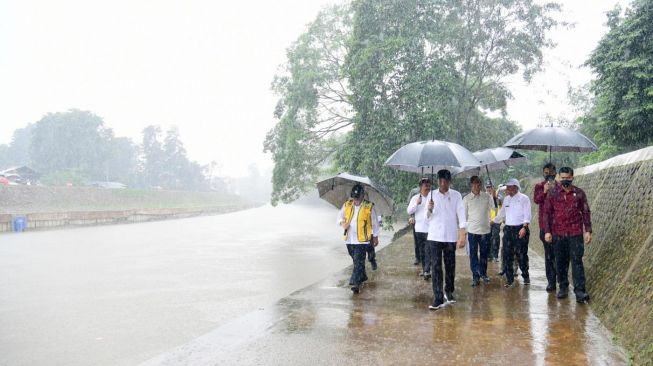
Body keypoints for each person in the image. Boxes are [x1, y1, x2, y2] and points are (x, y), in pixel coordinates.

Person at [543, 167, 592, 303]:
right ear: (559, 177)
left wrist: (587, 230)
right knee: (560, 262)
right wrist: (547, 231)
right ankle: (563, 287)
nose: (565, 180)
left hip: (575, 233)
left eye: (568, 178)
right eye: (562, 178)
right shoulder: (553, 194)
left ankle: (580, 291)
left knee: (577, 261)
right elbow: (547, 213)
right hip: (558, 234)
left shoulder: (579, 193)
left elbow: (586, 211)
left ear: (572, 177)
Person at [425, 169, 466, 310]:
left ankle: (449, 291)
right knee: (436, 267)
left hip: (450, 236)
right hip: (434, 236)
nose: (443, 184)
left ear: (450, 181)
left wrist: (462, 234)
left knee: (450, 266)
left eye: (446, 181)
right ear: (437, 181)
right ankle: (438, 297)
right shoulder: (431, 195)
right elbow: (427, 217)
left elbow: (461, 214)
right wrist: (429, 209)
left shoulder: (456, 196)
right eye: (441, 181)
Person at [337, 184, 380, 294]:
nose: (355, 200)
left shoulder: (369, 206)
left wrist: (375, 236)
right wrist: (343, 223)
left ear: (362, 196)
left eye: (357, 198)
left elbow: (375, 223)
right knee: (356, 260)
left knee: (358, 260)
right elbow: (339, 217)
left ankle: (355, 283)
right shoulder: (347, 205)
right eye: (354, 198)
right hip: (349, 239)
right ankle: (363, 276)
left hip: (362, 240)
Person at [493, 178, 531, 287]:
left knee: (521, 255)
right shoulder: (506, 199)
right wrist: (493, 221)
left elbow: (527, 214)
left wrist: (524, 227)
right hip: (508, 229)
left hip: (520, 229)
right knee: (507, 254)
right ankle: (509, 279)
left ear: (515, 187)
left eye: (508, 188)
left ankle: (525, 275)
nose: (506, 190)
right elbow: (502, 214)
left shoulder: (524, 198)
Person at [464, 176, 496, 286]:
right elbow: (464, 216)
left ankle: (483, 273)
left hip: (485, 231)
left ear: (481, 184)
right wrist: (463, 232)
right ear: (471, 185)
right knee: (473, 254)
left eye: (478, 183)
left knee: (484, 254)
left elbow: (494, 208)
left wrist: (494, 195)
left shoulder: (487, 196)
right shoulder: (467, 199)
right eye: (474, 183)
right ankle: (475, 277)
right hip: (472, 231)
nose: (476, 185)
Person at [533, 163, 560, 292]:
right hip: (545, 226)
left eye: (551, 172)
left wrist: (555, 190)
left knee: (560, 254)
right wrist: (544, 191)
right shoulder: (539, 186)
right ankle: (551, 281)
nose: (548, 174)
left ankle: (561, 280)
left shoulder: (560, 186)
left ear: (555, 172)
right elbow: (537, 200)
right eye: (546, 172)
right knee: (549, 255)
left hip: (559, 226)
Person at [407, 178, 432, 279]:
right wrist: (416, 203)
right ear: (420, 187)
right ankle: (425, 269)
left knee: (428, 250)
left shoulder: (433, 197)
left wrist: (431, 208)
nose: (427, 186)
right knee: (422, 251)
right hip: (419, 229)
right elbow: (409, 211)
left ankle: (427, 270)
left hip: (430, 229)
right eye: (425, 184)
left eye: (428, 184)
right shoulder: (415, 198)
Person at [487, 181, 501, 263]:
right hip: (487, 222)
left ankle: (495, 255)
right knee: (487, 239)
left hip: (496, 221)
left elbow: (500, 205)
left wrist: (495, 197)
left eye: (490, 187)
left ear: (493, 188)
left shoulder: (498, 197)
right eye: (487, 187)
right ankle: (489, 255)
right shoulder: (484, 197)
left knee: (495, 238)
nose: (489, 189)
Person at [407, 186, 421, 265]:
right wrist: (411, 217)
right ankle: (417, 257)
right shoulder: (414, 192)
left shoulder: (430, 192)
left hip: (427, 221)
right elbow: (409, 205)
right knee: (417, 240)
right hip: (415, 219)